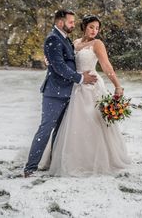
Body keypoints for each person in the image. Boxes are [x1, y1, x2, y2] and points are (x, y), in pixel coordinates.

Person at [48, 15, 131, 176]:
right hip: (75, 85)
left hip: (92, 86)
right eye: (91, 27)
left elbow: (106, 66)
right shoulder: (75, 43)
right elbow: (65, 61)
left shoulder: (97, 44)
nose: (94, 31)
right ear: (84, 26)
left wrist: (117, 85)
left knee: (92, 120)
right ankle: (73, 157)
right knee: (73, 122)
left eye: (97, 28)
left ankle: (94, 159)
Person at [24, 9, 98, 178]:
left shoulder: (64, 38)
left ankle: (53, 163)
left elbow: (67, 60)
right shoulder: (53, 38)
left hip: (68, 93)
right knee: (45, 129)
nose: (73, 25)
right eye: (71, 22)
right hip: (54, 93)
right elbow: (59, 67)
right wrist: (80, 78)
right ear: (60, 23)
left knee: (60, 131)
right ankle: (30, 168)